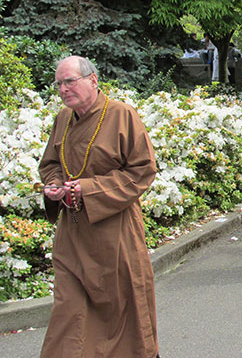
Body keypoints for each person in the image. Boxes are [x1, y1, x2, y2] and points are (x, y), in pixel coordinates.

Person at [38, 56, 159, 358]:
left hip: (114, 234)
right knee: (69, 314)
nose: (64, 89)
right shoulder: (63, 119)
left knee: (122, 317)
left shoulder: (121, 115)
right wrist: (54, 185)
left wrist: (90, 189)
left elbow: (142, 170)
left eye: (70, 81)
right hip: (73, 236)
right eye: (59, 83)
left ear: (92, 80)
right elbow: (51, 163)